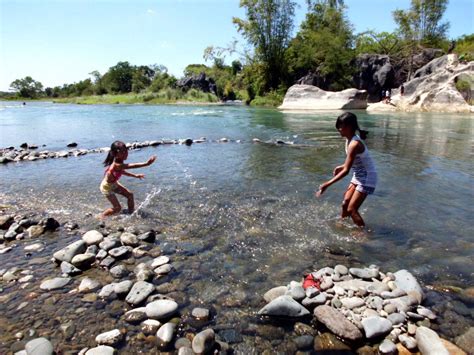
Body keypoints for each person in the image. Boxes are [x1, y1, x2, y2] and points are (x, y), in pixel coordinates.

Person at [316, 112, 377, 228]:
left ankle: (363, 235)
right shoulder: (349, 140)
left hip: (367, 177)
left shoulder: (354, 143)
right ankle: (342, 224)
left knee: (352, 209)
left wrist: (327, 184)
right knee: (345, 204)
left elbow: (346, 171)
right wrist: (342, 165)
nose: (339, 129)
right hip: (358, 174)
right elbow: (355, 161)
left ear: (349, 127)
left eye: (341, 126)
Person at [100, 140, 156, 218]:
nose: (125, 154)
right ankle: (101, 216)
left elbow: (122, 171)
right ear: (115, 154)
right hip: (107, 187)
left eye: (126, 151)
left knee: (130, 195)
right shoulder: (117, 164)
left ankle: (131, 213)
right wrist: (146, 164)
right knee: (117, 208)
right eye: (122, 152)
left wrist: (135, 175)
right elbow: (131, 165)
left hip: (113, 183)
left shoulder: (119, 163)